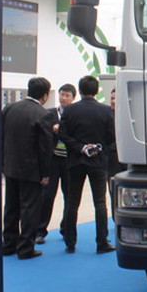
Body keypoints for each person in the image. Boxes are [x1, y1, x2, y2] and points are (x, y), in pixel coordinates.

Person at [59, 75, 116, 254]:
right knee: (100, 202)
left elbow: (62, 134)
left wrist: (81, 148)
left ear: (80, 90)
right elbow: (112, 138)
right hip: (98, 162)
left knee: (72, 202)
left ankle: (70, 242)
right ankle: (102, 242)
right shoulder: (106, 111)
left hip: (75, 161)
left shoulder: (69, 110)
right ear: (97, 91)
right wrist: (98, 148)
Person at [1, 76, 53, 260]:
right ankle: (25, 248)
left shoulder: (9, 109)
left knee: (11, 207)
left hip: (10, 166)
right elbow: (45, 147)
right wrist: (45, 173)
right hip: (31, 170)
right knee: (30, 209)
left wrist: (2, 162)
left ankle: (8, 244)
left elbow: (1, 136)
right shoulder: (43, 114)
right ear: (45, 95)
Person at [35, 83, 76, 244]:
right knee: (47, 196)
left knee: (70, 197)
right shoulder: (49, 113)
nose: (63, 98)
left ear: (73, 98)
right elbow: (41, 133)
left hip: (69, 161)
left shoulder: (75, 114)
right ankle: (40, 231)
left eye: (67, 96)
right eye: (61, 94)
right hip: (52, 160)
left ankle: (66, 229)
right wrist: (51, 129)